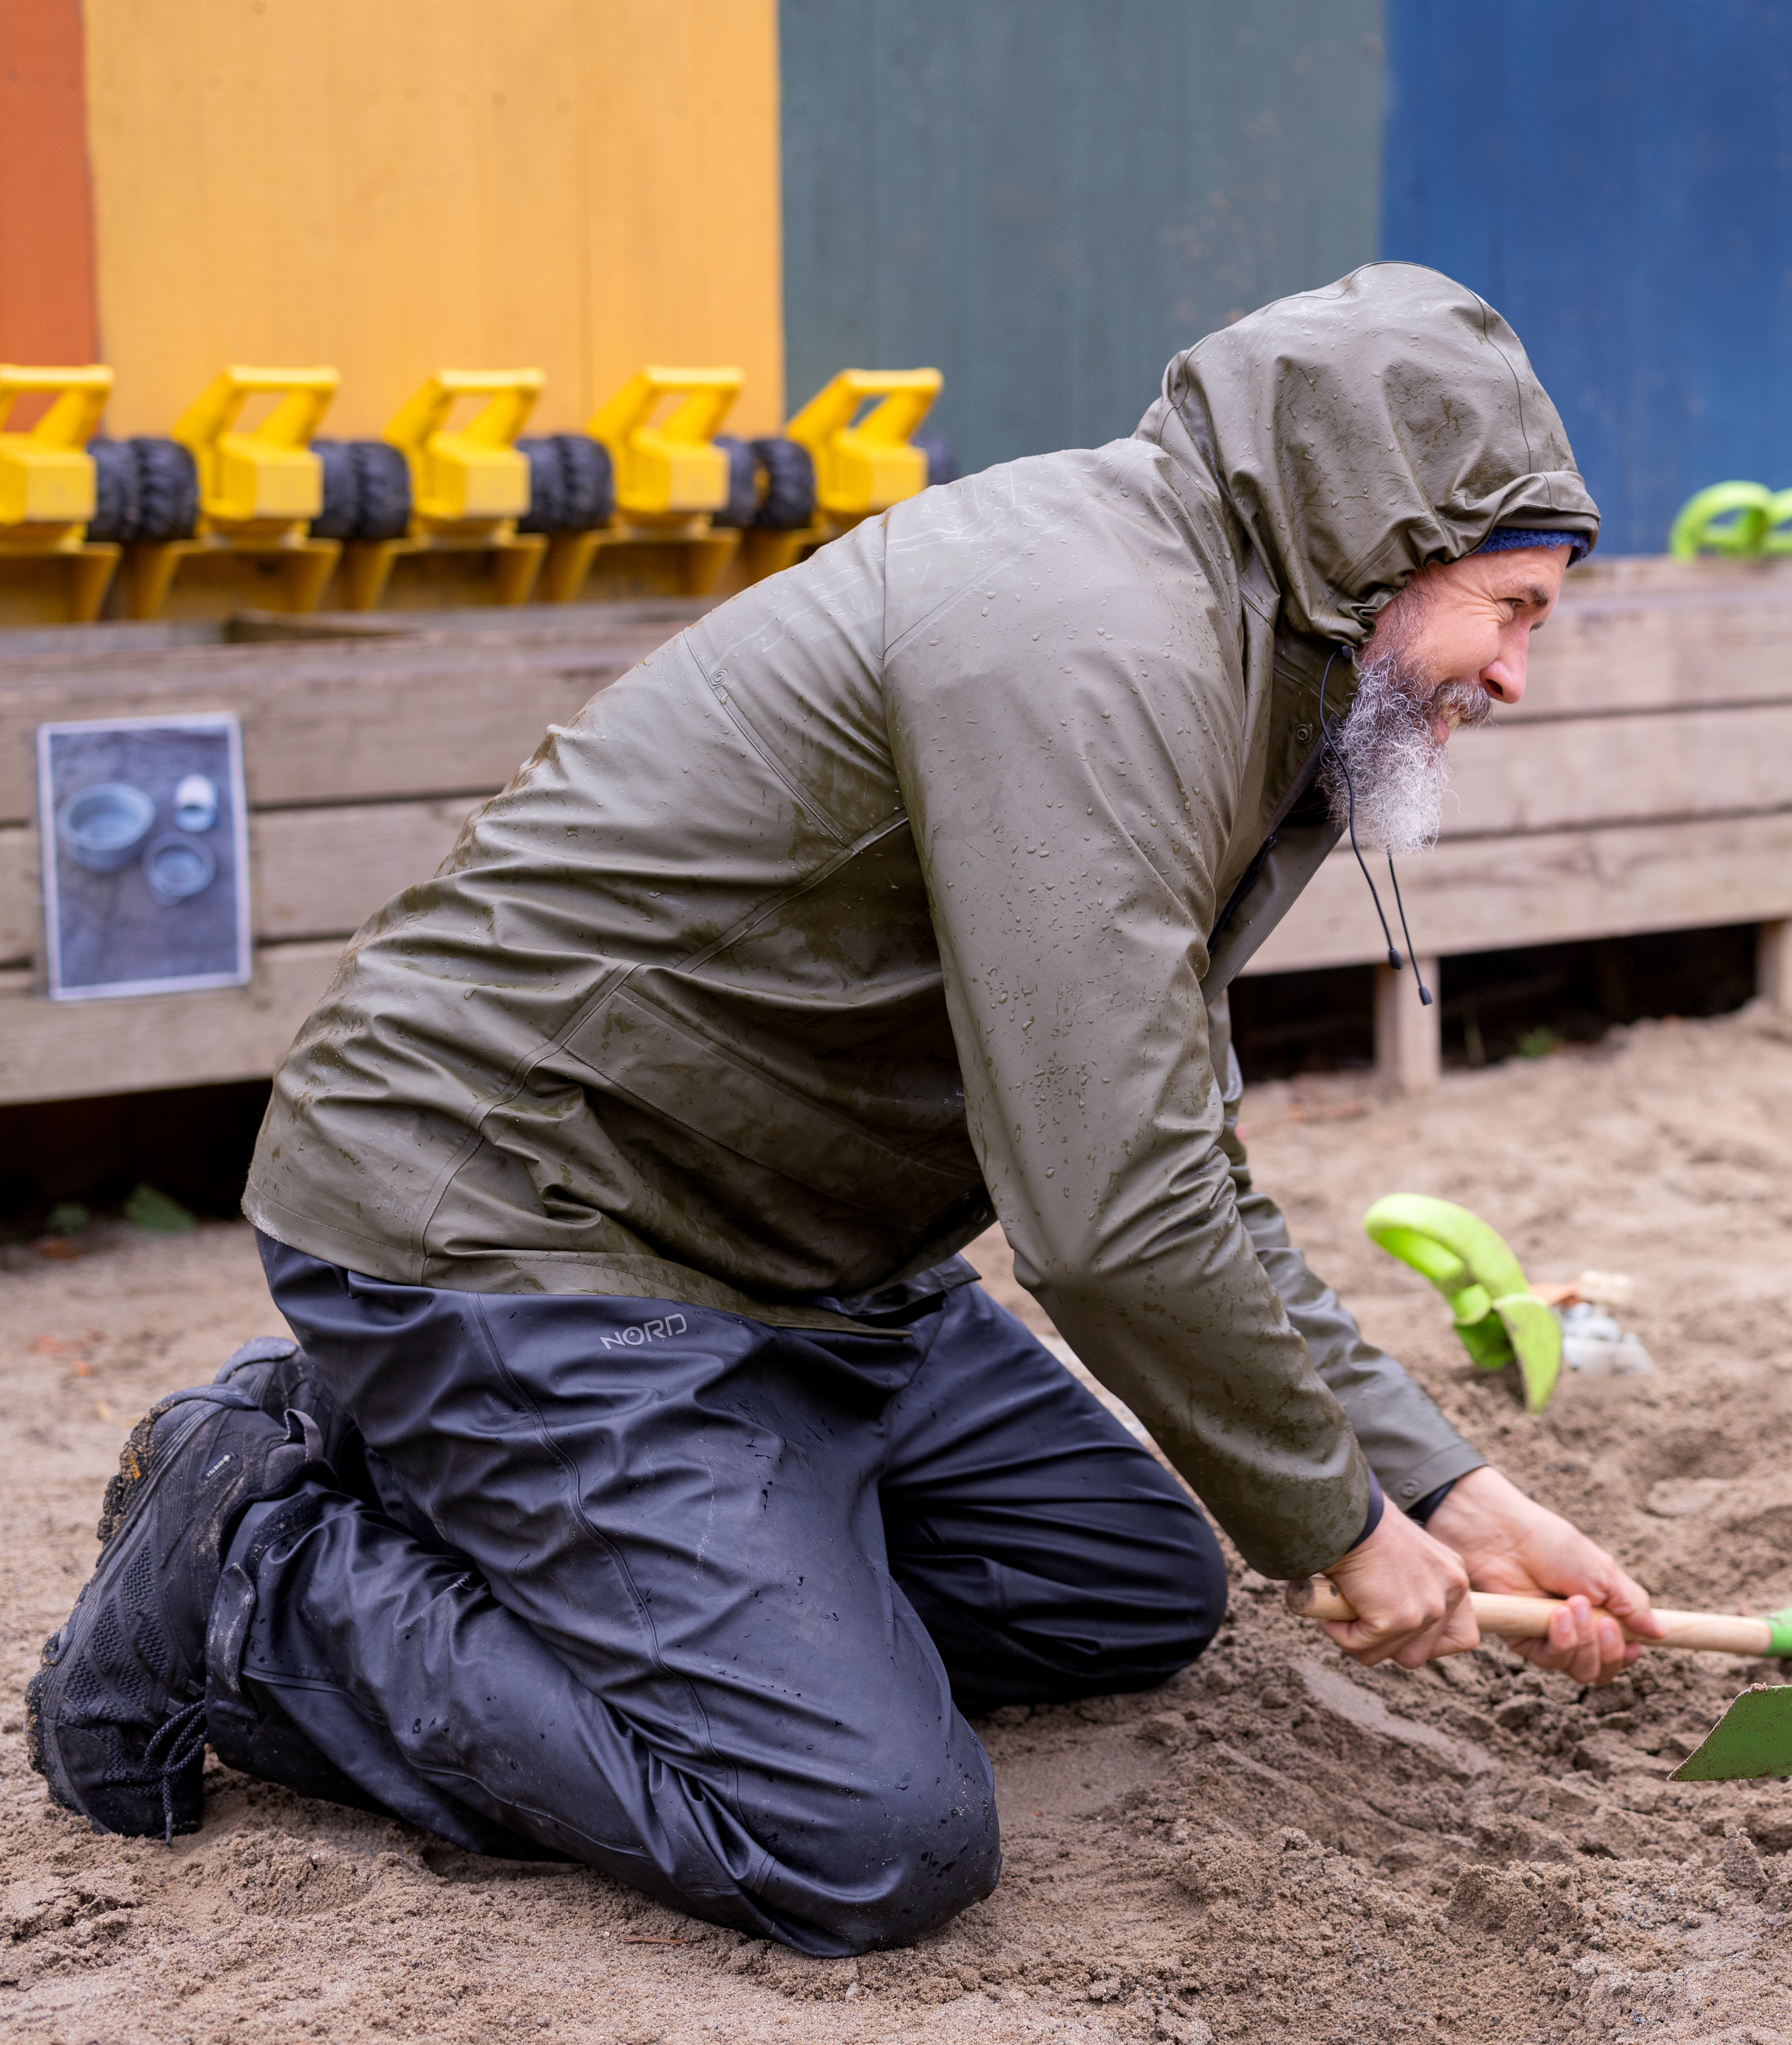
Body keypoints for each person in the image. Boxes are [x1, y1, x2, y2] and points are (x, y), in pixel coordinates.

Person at [27, 265, 1662, 1954]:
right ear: (1380, 544)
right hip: (528, 1216)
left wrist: (1446, 1490)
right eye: (1514, 610)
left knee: (1120, 1586)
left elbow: (1178, 1161)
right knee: (865, 1834)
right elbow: (1108, 1217)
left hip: (790, 1252)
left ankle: (443, 1466)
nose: (1519, 677)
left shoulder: (1248, 646)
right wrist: (1340, 1526)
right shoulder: (1102, 653)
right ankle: (253, 1579)